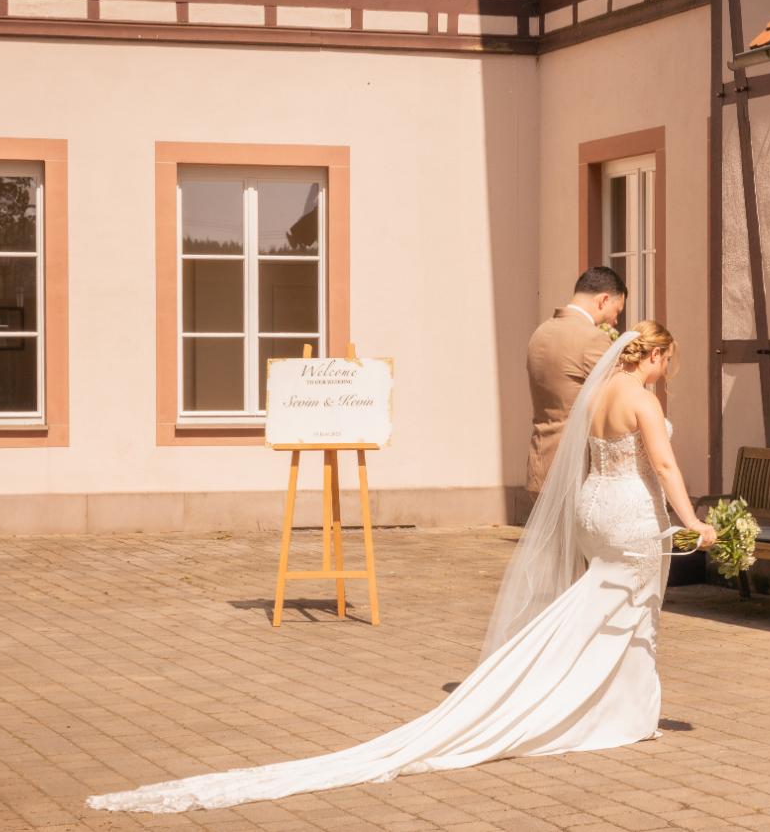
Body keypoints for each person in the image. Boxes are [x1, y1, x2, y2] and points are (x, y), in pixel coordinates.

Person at [87, 321, 715, 814]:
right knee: (632, 610)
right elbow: (663, 467)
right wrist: (691, 521)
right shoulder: (640, 400)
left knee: (599, 603)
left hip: (593, 509)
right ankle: (617, 712)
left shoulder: (600, 393)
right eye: (667, 365)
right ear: (652, 357)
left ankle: (594, 701)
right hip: (633, 513)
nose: (666, 376)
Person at [526, 266, 626, 496]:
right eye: (616, 310)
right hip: (573, 467)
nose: (615, 320)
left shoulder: (540, 333)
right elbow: (621, 396)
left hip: (540, 460)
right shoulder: (592, 338)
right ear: (603, 300)